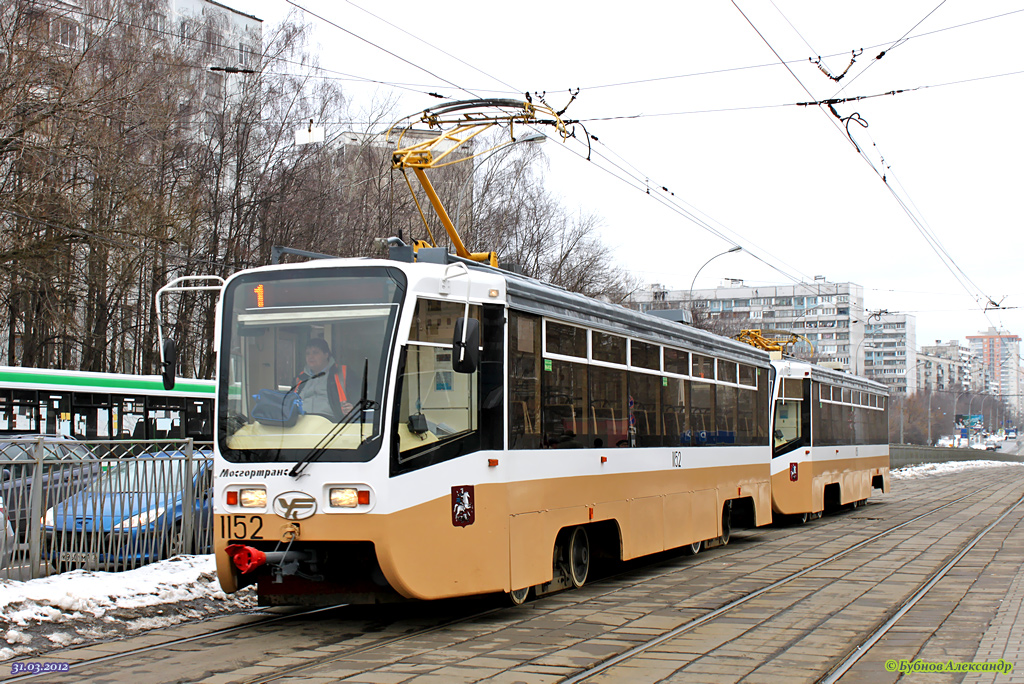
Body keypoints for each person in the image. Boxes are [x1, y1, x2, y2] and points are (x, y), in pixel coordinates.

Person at [294, 338, 352, 421]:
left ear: (326, 354)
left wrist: (353, 409)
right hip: (300, 423)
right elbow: (290, 402)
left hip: (330, 425)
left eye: (315, 352)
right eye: (307, 353)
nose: (311, 357)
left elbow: (360, 400)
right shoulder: (300, 378)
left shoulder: (341, 373)